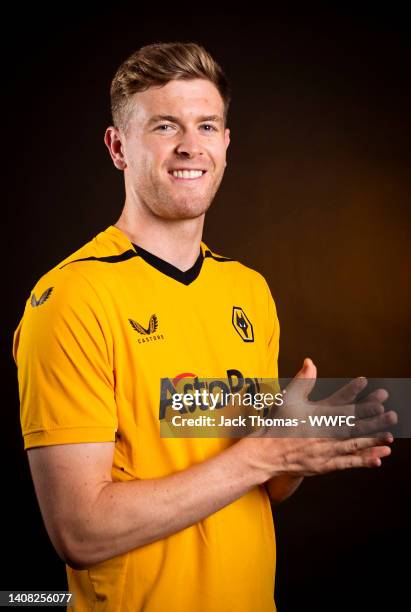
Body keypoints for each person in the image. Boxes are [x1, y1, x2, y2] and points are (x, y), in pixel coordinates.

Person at [12, 42, 395, 612]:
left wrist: (297, 452)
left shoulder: (248, 290)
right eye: (165, 126)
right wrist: (263, 456)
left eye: (207, 125)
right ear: (118, 147)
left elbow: (257, 477)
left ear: (226, 143)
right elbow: (79, 533)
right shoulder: (72, 297)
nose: (191, 145)